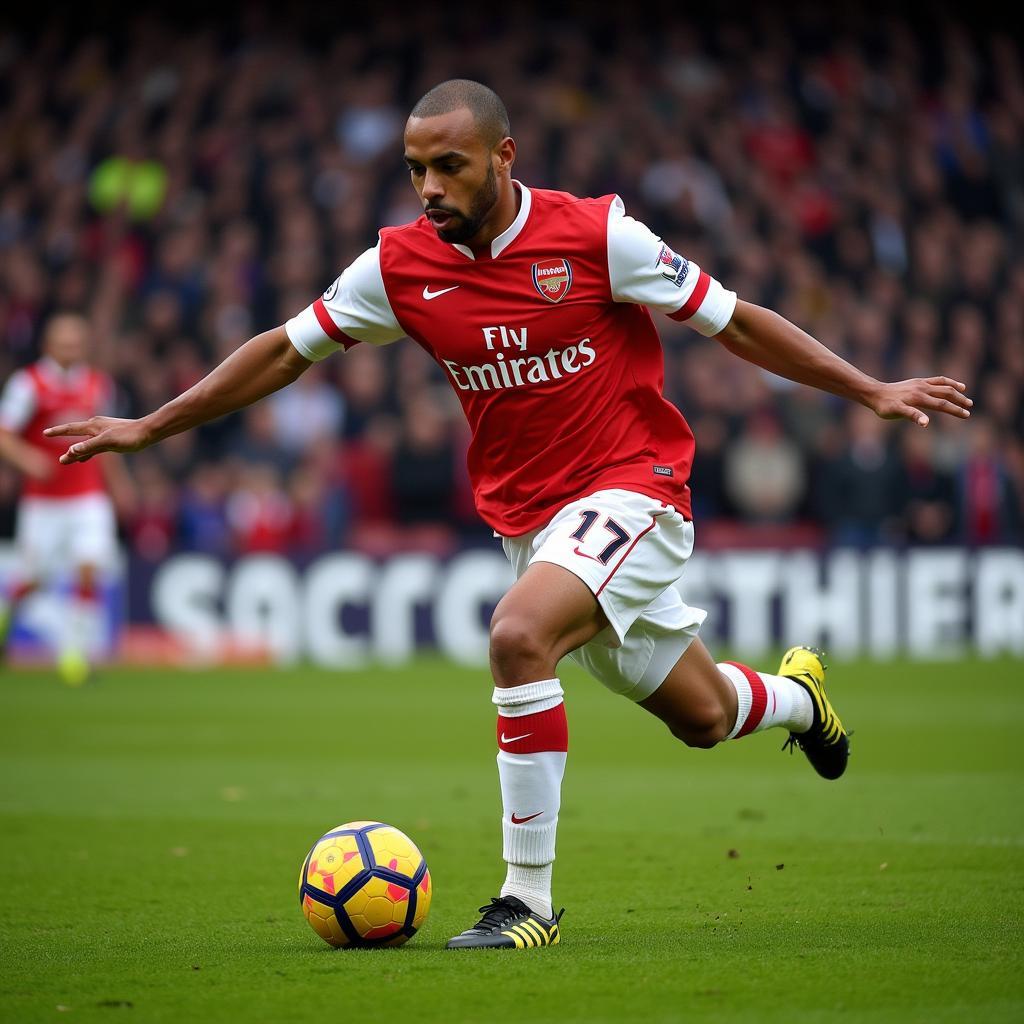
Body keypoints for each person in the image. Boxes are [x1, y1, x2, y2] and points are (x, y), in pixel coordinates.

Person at [46, 80, 974, 948]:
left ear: (504, 156)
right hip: (529, 521)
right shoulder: (399, 266)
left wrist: (868, 389)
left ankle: (526, 901)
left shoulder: (598, 237)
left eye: (449, 166)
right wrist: (152, 425)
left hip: (635, 486)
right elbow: (284, 352)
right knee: (700, 714)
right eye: (416, 169)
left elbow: (733, 319)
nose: (430, 187)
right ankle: (799, 700)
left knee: (517, 637)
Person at [0, 313, 133, 684]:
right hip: (43, 501)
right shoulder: (28, 384)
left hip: (87, 497)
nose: (70, 350)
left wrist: (119, 484)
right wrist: (28, 460)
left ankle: (74, 656)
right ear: (48, 345)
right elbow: (3, 434)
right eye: (64, 343)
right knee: (35, 577)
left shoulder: (97, 385)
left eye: (76, 343)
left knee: (89, 568)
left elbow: (107, 442)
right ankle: (6, 614)